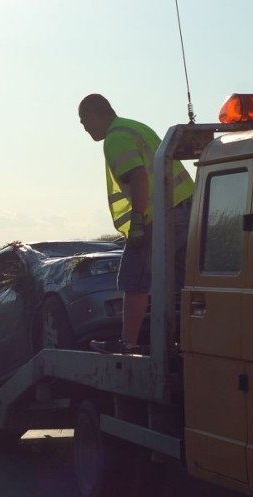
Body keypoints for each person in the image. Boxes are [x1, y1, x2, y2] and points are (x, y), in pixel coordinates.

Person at [78, 93, 195, 354]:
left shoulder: (115, 138)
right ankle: (186, 341)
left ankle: (127, 343)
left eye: (85, 123)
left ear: (96, 115)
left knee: (134, 280)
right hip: (187, 209)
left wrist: (138, 222)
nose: (86, 130)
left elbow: (139, 176)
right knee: (183, 283)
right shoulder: (136, 126)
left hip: (159, 217)